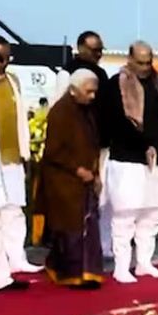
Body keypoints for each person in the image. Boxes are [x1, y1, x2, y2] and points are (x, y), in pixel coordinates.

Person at [102, 41, 158, 283]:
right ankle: (121, 266)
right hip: (127, 159)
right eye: (140, 62)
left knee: (152, 214)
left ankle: (144, 263)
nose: (145, 67)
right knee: (125, 216)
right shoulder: (116, 85)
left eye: (149, 62)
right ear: (129, 59)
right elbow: (114, 124)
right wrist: (143, 145)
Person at [35, 69, 103, 288]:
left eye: (94, 92)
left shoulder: (87, 111)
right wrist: (78, 169)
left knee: (88, 228)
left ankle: (88, 274)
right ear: (73, 90)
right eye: (88, 91)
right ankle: (68, 274)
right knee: (69, 230)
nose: (92, 96)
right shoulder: (60, 112)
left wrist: (95, 173)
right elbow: (53, 152)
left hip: (85, 178)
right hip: (64, 180)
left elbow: (92, 144)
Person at [0, 36, 42, 275]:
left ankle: (17, 258)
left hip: (11, 155)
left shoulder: (12, 80)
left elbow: (20, 120)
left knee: (14, 208)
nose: (4, 62)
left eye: (7, 57)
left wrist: (25, 152)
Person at [54, 31, 113, 259]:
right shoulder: (67, 73)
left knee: (103, 197)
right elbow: (59, 109)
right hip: (76, 147)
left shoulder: (102, 74)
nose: (98, 54)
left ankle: (103, 244)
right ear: (81, 48)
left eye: (100, 50)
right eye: (94, 50)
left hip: (101, 143)